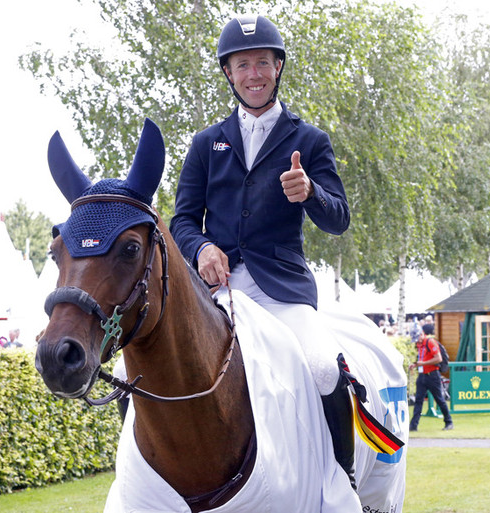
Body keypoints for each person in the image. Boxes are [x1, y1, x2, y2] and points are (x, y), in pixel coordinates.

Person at [169, 14, 356, 487]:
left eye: (262, 63)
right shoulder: (205, 143)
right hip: (217, 290)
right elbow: (182, 221)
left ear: (278, 68)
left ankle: (342, 478)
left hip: (281, 290)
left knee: (322, 369)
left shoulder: (309, 140)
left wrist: (310, 191)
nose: (253, 74)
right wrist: (202, 247)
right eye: (242, 65)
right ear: (229, 74)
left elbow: (339, 218)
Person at [409, 323, 453, 432]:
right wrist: (416, 364)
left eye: (417, 338)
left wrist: (422, 363)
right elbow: (423, 358)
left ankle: (449, 422)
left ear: (422, 334)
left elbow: (438, 359)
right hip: (422, 375)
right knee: (418, 401)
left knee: (439, 399)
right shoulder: (419, 344)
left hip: (433, 375)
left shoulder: (430, 342)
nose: (417, 341)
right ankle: (413, 426)